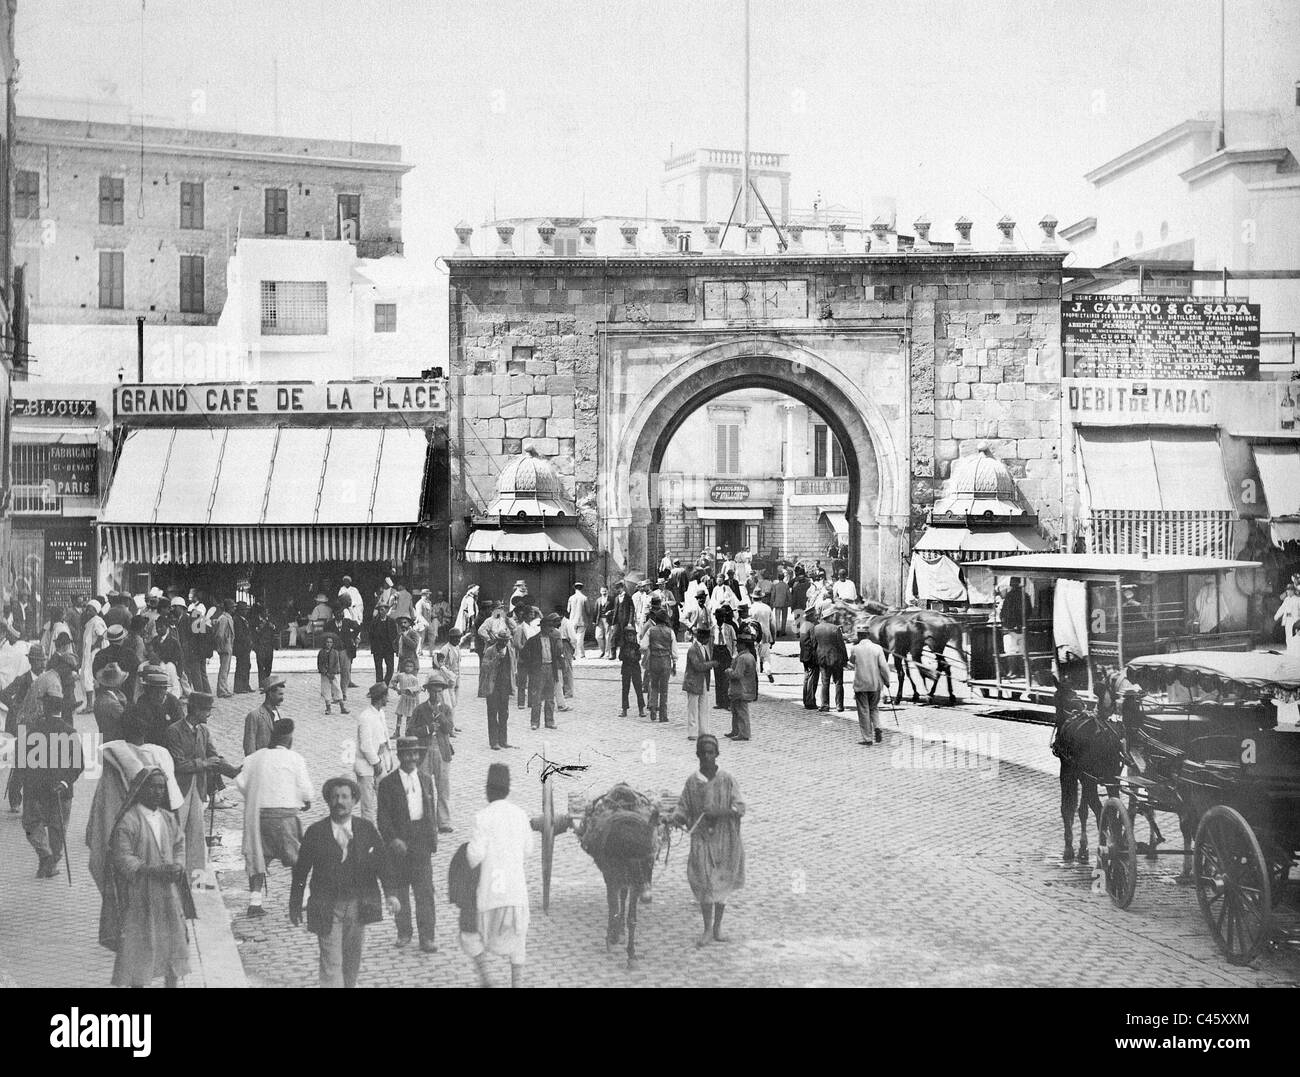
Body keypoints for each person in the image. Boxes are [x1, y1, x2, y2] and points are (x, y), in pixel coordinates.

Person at [289, 776, 392, 989]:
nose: (340, 802)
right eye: (335, 797)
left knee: (352, 961)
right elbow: (301, 872)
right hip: (327, 906)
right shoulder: (316, 832)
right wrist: (295, 903)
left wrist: (391, 894)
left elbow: (382, 863)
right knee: (331, 962)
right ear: (328, 801)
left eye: (345, 796)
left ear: (354, 801)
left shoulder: (365, 829)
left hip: (358, 906)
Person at [107, 769, 193, 988]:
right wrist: (150, 870)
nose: (157, 791)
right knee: (140, 950)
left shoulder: (167, 817)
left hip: (168, 897)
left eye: (161, 787)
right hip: (141, 897)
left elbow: (179, 844)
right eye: (152, 786)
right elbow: (122, 856)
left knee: (174, 945)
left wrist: (179, 865)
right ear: (141, 789)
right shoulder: (129, 820)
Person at [666, 735, 745, 948]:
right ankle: (707, 929)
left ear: (717, 754)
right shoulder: (692, 782)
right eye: (703, 752)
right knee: (704, 881)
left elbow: (740, 807)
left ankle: (718, 928)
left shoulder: (727, 779)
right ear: (698, 755)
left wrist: (720, 811)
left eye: (711, 752)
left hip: (725, 840)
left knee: (721, 883)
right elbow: (683, 806)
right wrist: (676, 817)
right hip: (701, 838)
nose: (707, 756)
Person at [462, 763, 532, 988]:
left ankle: (486, 979)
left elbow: (474, 856)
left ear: (487, 790)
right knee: (518, 941)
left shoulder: (482, 817)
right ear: (508, 790)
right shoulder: (520, 815)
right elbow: (528, 850)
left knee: (470, 934)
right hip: (516, 893)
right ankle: (517, 984)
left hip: (491, 895)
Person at [235, 718, 312, 918]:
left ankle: (255, 901)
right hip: (285, 816)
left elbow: (242, 784)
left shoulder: (254, 758)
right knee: (298, 859)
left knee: (259, 857)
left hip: (260, 817)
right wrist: (306, 800)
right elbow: (305, 790)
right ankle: (302, 899)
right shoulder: (295, 759)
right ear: (289, 738)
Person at [165, 690, 239, 874]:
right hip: (180, 789)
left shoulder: (203, 731)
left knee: (196, 833)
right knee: (177, 832)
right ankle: (173, 869)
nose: (209, 714)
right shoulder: (174, 731)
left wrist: (234, 772)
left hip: (198, 789)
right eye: (206, 710)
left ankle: (195, 872)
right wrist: (203, 763)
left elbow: (214, 756)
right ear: (196, 710)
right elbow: (178, 763)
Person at [377, 737, 439, 953]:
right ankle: (404, 931)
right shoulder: (387, 784)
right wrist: (393, 839)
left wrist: (432, 838)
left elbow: (430, 809)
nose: (412, 758)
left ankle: (427, 937)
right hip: (399, 844)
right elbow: (382, 817)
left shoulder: (425, 778)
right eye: (408, 754)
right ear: (400, 756)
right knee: (401, 891)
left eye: (415, 754)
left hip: (421, 842)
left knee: (425, 892)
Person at [20, 693, 83, 877]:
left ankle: (45, 857)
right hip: (61, 791)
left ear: (44, 709)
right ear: (61, 710)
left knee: (32, 824)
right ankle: (52, 861)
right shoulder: (70, 732)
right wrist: (64, 782)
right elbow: (79, 764)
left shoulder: (32, 731)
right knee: (58, 828)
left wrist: (28, 781)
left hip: (35, 790)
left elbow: (20, 762)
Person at [354, 683, 393, 822]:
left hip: (381, 761)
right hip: (367, 765)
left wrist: (388, 758)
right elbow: (365, 745)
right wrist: (376, 763)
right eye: (386, 696)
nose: (388, 699)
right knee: (368, 805)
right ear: (381, 698)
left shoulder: (380, 713)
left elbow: (384, 737)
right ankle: (368, 833)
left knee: (385, 799)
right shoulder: (365, 717)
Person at [848, 625, 891, 746]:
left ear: (858, 635)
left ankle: (867, 738)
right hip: (875, 684)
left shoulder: (855, 649)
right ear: (868, 635)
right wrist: (887, 681)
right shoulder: (877, 648)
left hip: (861, 684)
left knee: (863, 711)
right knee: (874, 708)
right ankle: (877, 726)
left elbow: (851, 661)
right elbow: (883, 667)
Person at [522, 612, 562, 730]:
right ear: (543, 627)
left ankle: (549, 721)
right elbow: (524, 655)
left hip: (550, 668)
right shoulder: (533, 640)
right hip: (538, 670)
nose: (550, 629)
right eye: (548, 627)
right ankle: (535, 722)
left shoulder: (553, 640)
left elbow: (557, 655)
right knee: (537, 697)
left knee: (550, 698)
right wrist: (532, 668)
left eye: (551, 627)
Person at [129, 665, 185, 746]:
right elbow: (143, 727)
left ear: (165, 689)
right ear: (148, 690)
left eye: (161, 691)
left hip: (171, 740)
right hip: (151, 742)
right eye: (154, 691)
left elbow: (180, 723)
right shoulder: (143, 701)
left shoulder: (172, 701)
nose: (158, 695)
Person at [479, 625, 513, 750]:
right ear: (497, 640)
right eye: (502, 641)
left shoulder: (510, 650)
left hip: (505, 687)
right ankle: (494, 741)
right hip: (492, 687)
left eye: (506, 641)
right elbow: (484, 667)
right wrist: (495, 659)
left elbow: (511, 668)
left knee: (504, 714)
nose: (504, 643)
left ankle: (503, 740)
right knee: (493, 714)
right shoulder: (490, 650)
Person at [644, 608, 677, 724]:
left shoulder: (651, 630)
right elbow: (674, 651)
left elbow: (643, 646)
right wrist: (675, 663)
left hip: (654, 660)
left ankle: (653, 709)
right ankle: (663, 715)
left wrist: (649, 651)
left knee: (653, 686)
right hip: (665, 661)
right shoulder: (670, 631)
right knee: (664, 689)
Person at [726, 628, 758, 741]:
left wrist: (729, 671)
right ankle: (736, 730)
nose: (736, 646)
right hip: (746, 688)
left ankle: (743, 733)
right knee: (736, 710)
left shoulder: (742, 658)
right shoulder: (750, 656)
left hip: (740, 689)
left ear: (744, 645)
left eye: (738, 644)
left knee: (741, 711)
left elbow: (737, 674)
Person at [682, 625, 713, 742]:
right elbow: (698, 666)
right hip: (693, 681)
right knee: (693, 707)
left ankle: (703, 731)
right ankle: (692, 732)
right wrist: (712, 664)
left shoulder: (703, 648)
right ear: (702, 637)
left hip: (702, 680)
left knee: (703, 707)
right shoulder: (693, 649)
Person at [243, 675, 287, 757]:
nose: (282, 698)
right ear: (270, 694)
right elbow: (249, 747)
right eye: (280, 694)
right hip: (262, 764)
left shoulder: (281, 714)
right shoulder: (254, 716)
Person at [814, 611, 848, 713]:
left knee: (825, 682)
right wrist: (845, 659)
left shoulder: (816, 628)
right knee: (838, 682)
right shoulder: (836, 628)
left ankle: (825, 705)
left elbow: (814, 644)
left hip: (823, 659)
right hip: (836, 659)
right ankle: (839, 705)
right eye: (832, 616)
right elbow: (841, 645)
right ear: (829, 617)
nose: (833, 618)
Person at [998, 578, 1031, 679]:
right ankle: (1021, 671)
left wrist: (1007, 624)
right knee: (1020, 651)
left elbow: (1003, 613)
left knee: (1011, 651)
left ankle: (1013, 671)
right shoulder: (1024, 596)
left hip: (1011, 628)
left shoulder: (1010, 596)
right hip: (1020, 627)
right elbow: (1029, 611)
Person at [324, 605, 359, 695]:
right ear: (334, 614)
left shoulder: (347, 622)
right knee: (332, 671)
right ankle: (335, 692)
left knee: (345, 671)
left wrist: (352, 636)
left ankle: (343, 692)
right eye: (338, 613)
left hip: (345, 650)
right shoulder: (329, 624)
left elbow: (358, 627)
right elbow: (325, 635)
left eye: (341, 613)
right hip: (334, 650)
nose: (340, 614)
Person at [712, 607, 737, 712]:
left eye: (722, 617)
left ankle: (727, 702)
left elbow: (734, 641)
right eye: (718, 617)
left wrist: (734, 655)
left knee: (726, 678)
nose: (720, 619)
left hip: (726, 651)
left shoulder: (729, 628)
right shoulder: (713, 628)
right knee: (718, 677)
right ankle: (719, 702)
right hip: (717, 651)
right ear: (716, 617)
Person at [618, 625, 646, 718]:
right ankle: (624, 709)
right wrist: (627, 655)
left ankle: (641, 709)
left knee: (638, 689)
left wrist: (634, 656)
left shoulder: (637, 646)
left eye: (632, 635)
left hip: (635, 669)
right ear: (625, 637)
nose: (630, 637)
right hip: (626, 669)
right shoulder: (623, 646)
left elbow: (639, 657)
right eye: (628, 635)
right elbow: (620, 657)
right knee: (625, 690)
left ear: (634, 637)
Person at [390, 656, 420, 736]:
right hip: (403, 698)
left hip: (411, 699)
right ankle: (397, 731)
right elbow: (392, 681)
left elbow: (417, 690)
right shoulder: (400, 675)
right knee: (399, 715)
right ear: (403, 666)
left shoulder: (414, 679)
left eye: (411, 666)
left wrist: (417, 703)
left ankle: (408, 731)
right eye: (407, 666)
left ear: (413, 668)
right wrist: (396, 689)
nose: (408, 668)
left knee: (409, 717)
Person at [318, 634, 346, 715]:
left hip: (334, 674)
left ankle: (342, 707)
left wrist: (333, 673)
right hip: (325, 674)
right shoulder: (321, 652)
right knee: (326, 689)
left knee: (337, 688)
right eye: (327, 642)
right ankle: (328, 707)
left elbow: (337, 664)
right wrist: (325, 672)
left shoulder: (335, 653)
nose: (328, 644)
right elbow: (320, 665)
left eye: (330, 642)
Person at [213, 600, 235, 698]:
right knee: (223, 669)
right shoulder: (223, 619)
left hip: (228, 645)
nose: (234, 609)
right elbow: (220, 634)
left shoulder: (227, 618)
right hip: (225, 646)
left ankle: (224, 688)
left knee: (226, 669)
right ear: (228, 608)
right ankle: (221, 690)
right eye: (232, 607)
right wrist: (220, 647)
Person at [252, 605, 278, 689]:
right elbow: (254, 632)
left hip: (269, 644)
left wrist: (272, 626)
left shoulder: (270, 620)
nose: (267, 614)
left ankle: (267, 682)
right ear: (261, 613)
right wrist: (261, 626)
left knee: (268, 664)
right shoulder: (256, 620)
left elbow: (276, 628)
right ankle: (261, 683)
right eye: (265, 612)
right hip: (260, 645)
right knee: (261, 665)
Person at [370, 603, 396, 684]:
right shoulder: (374, 622)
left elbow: (395, 634)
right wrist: (374, 646)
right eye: (379, 610)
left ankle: (385, 683)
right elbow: (371, 635)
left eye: (382, 610)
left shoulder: (391, 621)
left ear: (387, 610)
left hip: (388, 648)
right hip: (378, 648)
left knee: (390, 668)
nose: (381, 612)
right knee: (378, 668)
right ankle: (379, 685)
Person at [233, 601, 254, 693]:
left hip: (246, 647)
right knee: (241, 666)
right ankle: (239, 687)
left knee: (247, 666)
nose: (246, 611)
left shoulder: (243, 619)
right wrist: (247, 640)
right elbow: (239, 635)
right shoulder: (237, 620)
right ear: (240, 610)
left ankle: (246, 685)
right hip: (241, 647)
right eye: (244, 610)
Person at [1275, 583, 1300, 658]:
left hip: (1295, 620)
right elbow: (1282, 608)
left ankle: (1295, 650)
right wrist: (1277, 616)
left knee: (1294, 635)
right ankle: (1289, 650)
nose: (1289, 592)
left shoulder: (1298, 599)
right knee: (1288, 635)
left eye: (1291, 590)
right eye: (1288, 590)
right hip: (1287, 619)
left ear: (1293, 591)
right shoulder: (1286, 600)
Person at [566, 583, 589, 660]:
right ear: (582, 588)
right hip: (582, 620)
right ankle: (581, 654)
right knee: (580, 638)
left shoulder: (571, 598)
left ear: (574, 588)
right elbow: (588, 611)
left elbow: (568, 610)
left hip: (572, 620)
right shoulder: (585, 598)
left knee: (572, 638)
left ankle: (573, 654)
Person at [453, 585, 480, 649]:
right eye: (477, 590)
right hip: (469, 618)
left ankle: (472, 646)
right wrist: (473, 621)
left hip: (468, 617)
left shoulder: (469, 597)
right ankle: (461, 641)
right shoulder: (470, 599)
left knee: (473, 632)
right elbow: (471, 611)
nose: (478, 591)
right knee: (471, 632)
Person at [593, 586, 613, 659]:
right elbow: (595, 610)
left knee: (608, 636)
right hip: (599, 619)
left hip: (608, 619)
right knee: (598, 636)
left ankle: (607, 653)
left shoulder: (611, 599)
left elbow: (615, 609)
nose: (604, 593)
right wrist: (594, 621)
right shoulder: (598, 600)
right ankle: (602, 651)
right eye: (602, 591)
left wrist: (611, 612)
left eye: (605, 591)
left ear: (608, 591)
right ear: (600, 592)